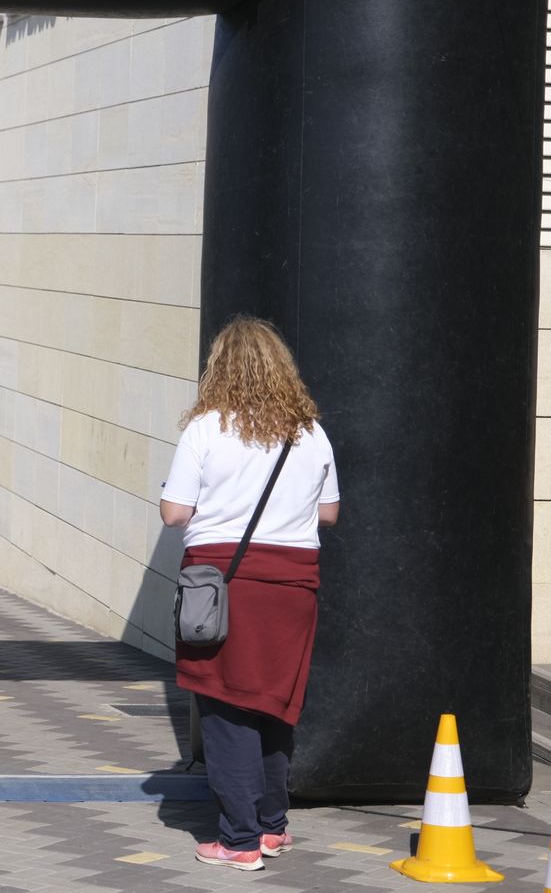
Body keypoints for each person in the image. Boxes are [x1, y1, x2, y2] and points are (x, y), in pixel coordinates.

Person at [158, 316, 339, 871]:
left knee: (227, 707)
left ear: (219, 369)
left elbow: (174, 514)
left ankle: (237, 841)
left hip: (224, 586)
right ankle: (271, 828)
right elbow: (328, 514)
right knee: (272, 707)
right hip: (294, 588)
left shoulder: (206, 429)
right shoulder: (308, 432)